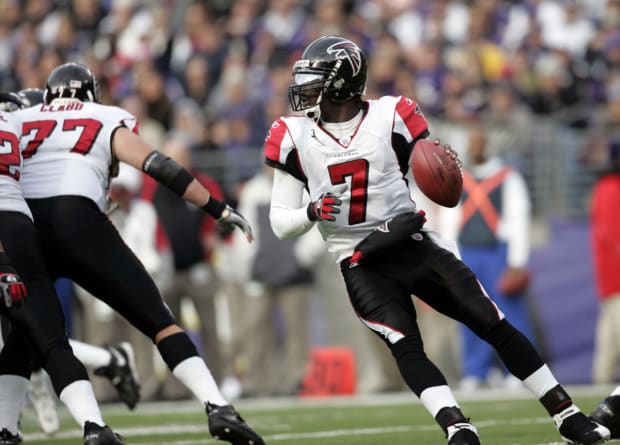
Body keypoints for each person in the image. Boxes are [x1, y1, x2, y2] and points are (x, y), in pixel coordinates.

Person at [263, 35, 609, 445]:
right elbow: (280, 221)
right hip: (359, 260)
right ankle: (457, 428)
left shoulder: (392, 113)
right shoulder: (293, 134)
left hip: (412, 240)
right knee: (406, 346)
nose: (305, 87)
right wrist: (310, 211)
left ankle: (567, 415)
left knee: (491, 321)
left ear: (344, 81)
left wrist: (445, 170)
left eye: (317, 77)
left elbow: (434, 176)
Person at [5, 63, 264, 445]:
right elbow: (158, 165)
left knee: (33, 338)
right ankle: (218, 406)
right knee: (159, 321)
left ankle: (63, 429)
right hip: (79, 220)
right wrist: (217, 208)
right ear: (90, 94)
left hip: (24, 228)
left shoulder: (20, 119)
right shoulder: (104, 115)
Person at [0, 92, 124, 445]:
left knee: (27, 340)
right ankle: (94, 426)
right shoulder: (16, 125)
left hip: (11, 231)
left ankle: (7, 429)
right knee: (48, 339)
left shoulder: (17, 124)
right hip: (21, 230)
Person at [441, 124, 536, 390]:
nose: (474, 148)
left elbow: (519, 218)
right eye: (471, 143)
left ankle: (521, 371)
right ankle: (476, 371)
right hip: (468, 252)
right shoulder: (459, 177)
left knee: (510, 314)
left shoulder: (507, 176)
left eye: (478, 142)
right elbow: (451, 219)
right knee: (470, 313)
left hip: (498, 253)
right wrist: (450, 256)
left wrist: (517, 261)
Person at [231, 165, 324, 397]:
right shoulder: (254, 190)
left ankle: (298, 379)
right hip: (262, 272)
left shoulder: (302, 190)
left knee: (297, 330)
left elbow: (317, 226)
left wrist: (301, 259)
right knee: (256, 328)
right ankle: (257, 382)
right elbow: (244, 228)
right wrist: (249, 263)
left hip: (294, 273)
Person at [589, 141, 620, 385]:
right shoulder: (611, 187)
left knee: (609, 339)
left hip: (611, 278)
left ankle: (599, 390)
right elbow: (614, 235)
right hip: (616, 277)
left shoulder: (606, 187)